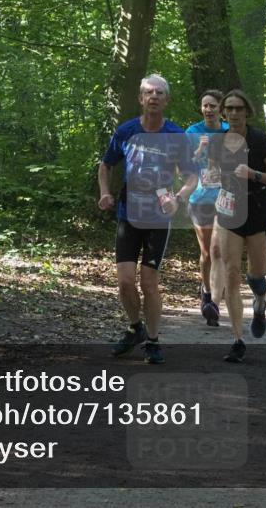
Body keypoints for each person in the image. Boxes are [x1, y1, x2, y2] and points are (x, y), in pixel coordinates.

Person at [98, 74, 197, 364]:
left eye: (159, 93)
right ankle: (135, 328)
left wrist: (178, 198)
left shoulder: (176, 135)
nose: (154, 97)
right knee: (125, 282)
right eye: (149, 92)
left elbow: (192, 176)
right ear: (141, 98)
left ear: (167, 100)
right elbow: (106, 165)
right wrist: (105, 193)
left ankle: (153, 341)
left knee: (149, 282)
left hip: (158, 217)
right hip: (128, 213)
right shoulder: (126, 130)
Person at [207, 89, 266, 363]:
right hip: (229, 211)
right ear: (223, 112)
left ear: (247, 112)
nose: (234, 113)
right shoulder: (217, 142)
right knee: (231, 272)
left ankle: (260, 301)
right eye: (229, 108)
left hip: (258, 211)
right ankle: (237, 339)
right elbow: (211, 173)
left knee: (256, 278)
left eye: (239, 108)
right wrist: (210, 177)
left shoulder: (259, 139)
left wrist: (254, 174)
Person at [185, 89, 228, 327]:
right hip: (200, 198)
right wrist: (199, 151)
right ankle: (206, 291)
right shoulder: (192, 132)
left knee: (218, 251)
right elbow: (182, 165)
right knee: (207, 253)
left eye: (212, 105)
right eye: (205, 106)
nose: (208, 109)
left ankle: (214, 303)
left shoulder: (229, 131)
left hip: (225, 199)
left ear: (221, 108)